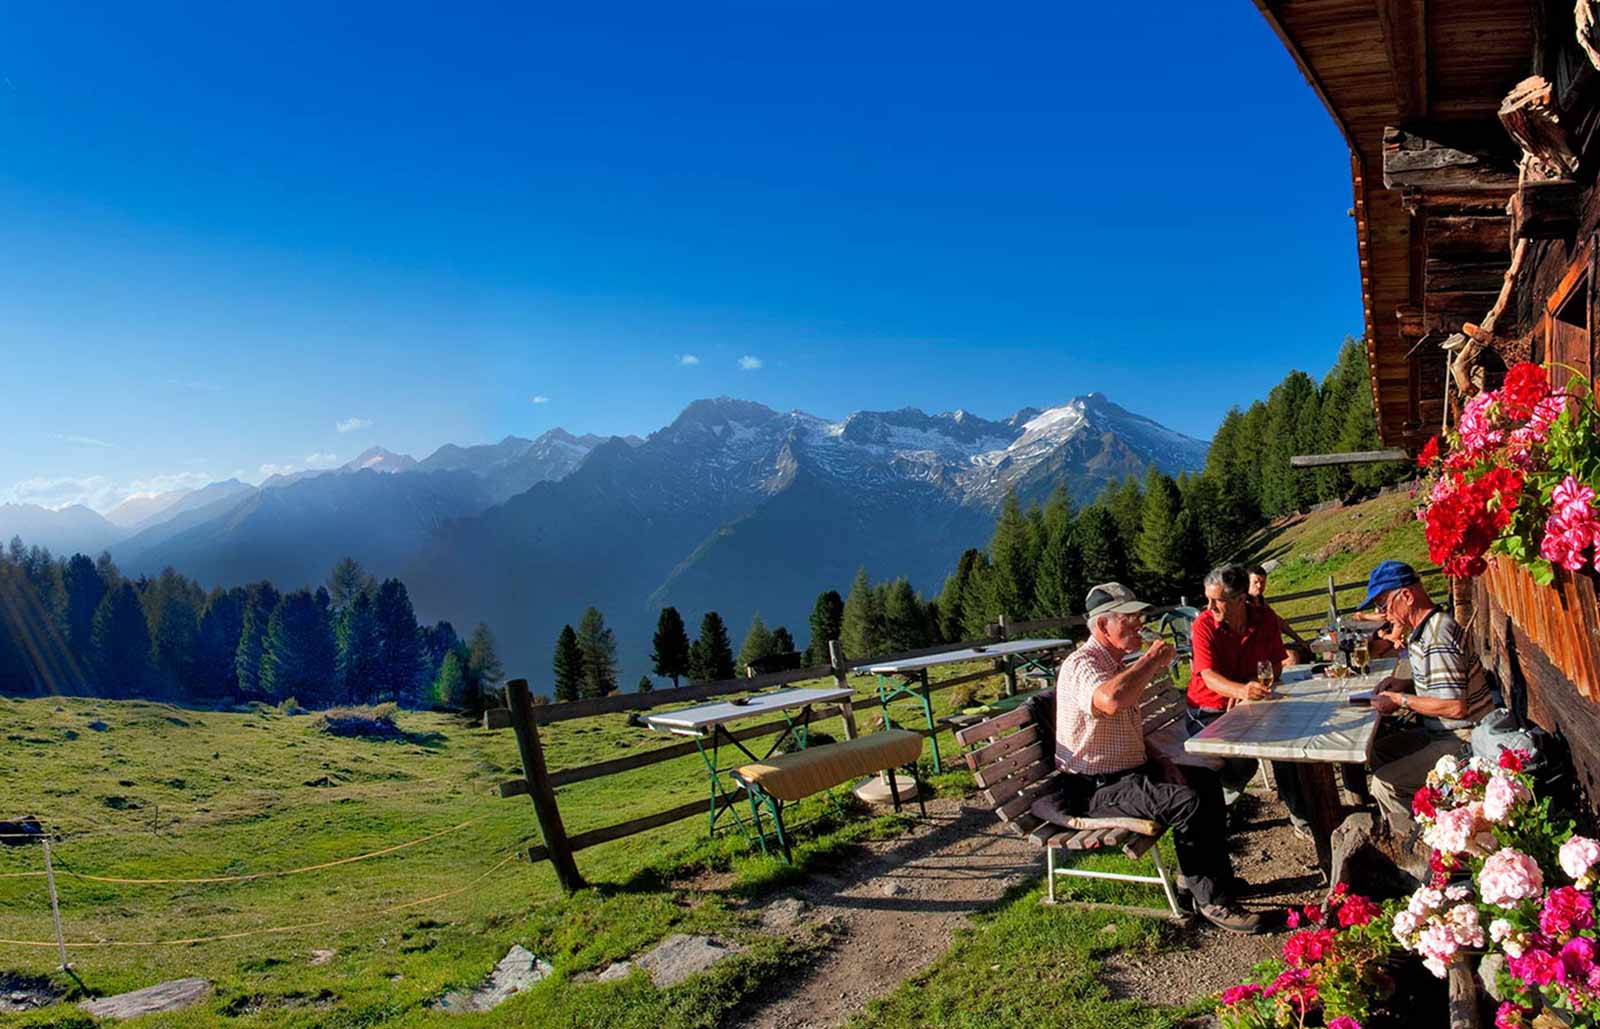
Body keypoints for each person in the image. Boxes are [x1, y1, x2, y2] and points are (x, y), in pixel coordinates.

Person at [1033, 581, 1264, 933]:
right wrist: (1152, 660)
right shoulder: (1083, 664)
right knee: (1185, 802)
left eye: (1139, 615)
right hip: (1093, 788)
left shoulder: (1114, 662)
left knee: (1203, 779)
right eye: (1129, 618)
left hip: (1129, 772)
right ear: (1102, 627)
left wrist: (1163, 761)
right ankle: (1212, 903)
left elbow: (1127, 727)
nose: (1139, 623)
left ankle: (1202, 880)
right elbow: (1110, 701)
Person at [1357, 561, 1494, 837]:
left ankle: (1426, 841)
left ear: (1407, 596)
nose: (1383, 614)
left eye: (1384, 604)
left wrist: (1400, 699)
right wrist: (1406, 684)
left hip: (1465, 740)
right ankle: (1429, 809)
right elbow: (1444, 683)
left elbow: (1455, 706)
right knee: (1378, 750)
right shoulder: (1423, 632)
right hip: (1442, 732)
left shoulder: (1438, 634)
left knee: (1383, 785)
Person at [1187, 564, 1312, 836]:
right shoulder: (1203, 625)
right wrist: (1241, 692)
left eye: (1216, 600)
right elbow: (1208, 677)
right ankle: (1220, 804)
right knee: (1243, 761)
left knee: (1285, 744)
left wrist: (1248, 692)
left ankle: (1301, 818)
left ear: (1240, 599)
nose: (1208, 606)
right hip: (1209, 708)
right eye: (1207, 599)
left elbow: (1277, 664)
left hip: (1251, 702)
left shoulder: (1264, 617)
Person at [1246, 564, 1310, 664]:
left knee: (1305, 652)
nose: (1259, 586)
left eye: (1262, 582)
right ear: (1247, 582)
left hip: (1270, 647)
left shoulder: (1262, 602)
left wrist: (1300, 640)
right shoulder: (1242, 605)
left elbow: (1278, 621)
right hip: (1255, 653)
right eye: (1255, 582)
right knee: (1292, 658)